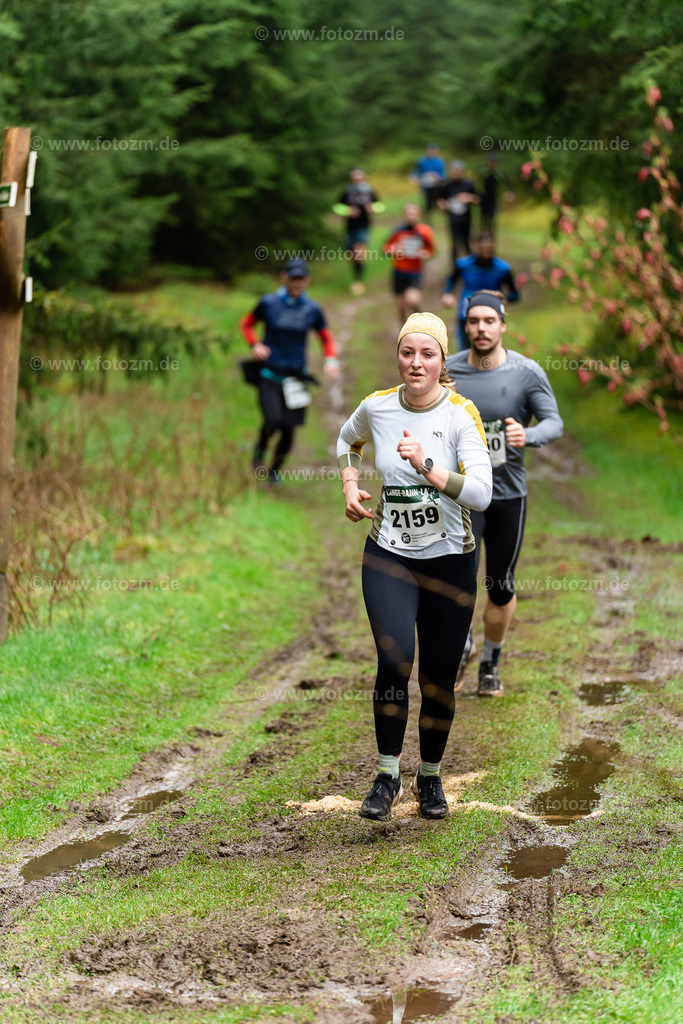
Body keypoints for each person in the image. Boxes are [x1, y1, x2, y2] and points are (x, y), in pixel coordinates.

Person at [337, 312, 492, 821]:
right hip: (389, 554)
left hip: (450, 561)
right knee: (395, 658)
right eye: (408, 352)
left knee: (438, 678)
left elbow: (482, 494)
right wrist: (349, 483)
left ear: (443, 360)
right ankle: (386, 775)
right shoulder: (377, 407)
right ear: (398, 356)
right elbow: (346, 441)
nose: (416, 362)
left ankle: (430, 777)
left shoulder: (460, 414)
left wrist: (428, 466)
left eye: (427, 354)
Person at [445, 291, 563, 696]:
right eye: (474, 321)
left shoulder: (526, 372)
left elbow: (554, 423)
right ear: (465, 324)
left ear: (502, 325)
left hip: (507, 494)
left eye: (489, 321)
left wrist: (526, 435)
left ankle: (490, 662)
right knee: (458, 580)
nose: (481, 328)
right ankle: (462, 646)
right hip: (460, 494)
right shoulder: (447, 370)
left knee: (499, 584)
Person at [240, 259, 340, 483]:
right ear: (284, 277)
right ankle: (260, 447)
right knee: (273, 420)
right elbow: (246, 324)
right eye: (293, 278)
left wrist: (330, 359)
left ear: (307, 280)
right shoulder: (269, 303)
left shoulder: (312, 309)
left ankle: (274, 470)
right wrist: (255, 344)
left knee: (289, 428)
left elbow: (325, 336)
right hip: (270, 374)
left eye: (301, 278)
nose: (297, 283)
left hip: (296, 378)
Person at [441, 231, 520, 350]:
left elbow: (515, 295)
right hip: (466, 315)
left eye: (489, 248)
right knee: (466, 353)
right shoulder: (464, 265)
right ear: (477, 246)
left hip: (491, 317)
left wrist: (506, 299)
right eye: (483, 248)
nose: (486, 251)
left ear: (494, 246)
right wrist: (448, 294)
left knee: (488, 352)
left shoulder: (503, 268)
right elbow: (451, 279)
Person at [383, 204, 436, 324]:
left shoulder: (424, 231)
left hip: (415, 272)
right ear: (404, 215)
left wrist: (425, 254)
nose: (411, 217)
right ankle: (403, 331)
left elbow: (432, 251)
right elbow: (385, 249)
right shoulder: (397, 231)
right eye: (408, 214)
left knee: (412, 300)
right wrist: (393, 249)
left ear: (418, 215)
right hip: (399, 271)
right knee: (401, 305)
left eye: (413, 214)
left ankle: (421, 320)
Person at [334, 168, 383, 296]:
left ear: (364, 178)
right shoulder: (347, 192)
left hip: (364, 226)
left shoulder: (370, 192)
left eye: (359, 178)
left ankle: (358, 281)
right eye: (355, 179)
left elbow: (380, 205)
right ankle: (356, 275)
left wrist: (372, 208)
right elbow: (337, 207)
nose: (357, 181)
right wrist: (347, 211)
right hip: (350, 227)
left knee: (358, 251)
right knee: (352, 255)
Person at [437, 161, 479, 263]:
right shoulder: (447, 185)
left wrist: (469, 198)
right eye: (454, 170)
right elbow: (440, 200)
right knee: (454, 243)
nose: (456, 172)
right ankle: (454, 265)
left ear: (462, 171)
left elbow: (478, 199)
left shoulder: (469, 184)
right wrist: (443, 205)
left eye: (458, 170)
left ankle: (470, 263)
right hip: (452, 217)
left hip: (466, 217)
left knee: (466, 241)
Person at [477, 155, 516, 234]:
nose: (492, 164)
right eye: (490, 161)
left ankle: (491, 238)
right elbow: (476, 184)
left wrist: (508, 193)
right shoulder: (482, 172)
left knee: (492, 219)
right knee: (482, 219)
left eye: (493, 162)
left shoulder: (500, 174)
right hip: (482, 200)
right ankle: (482, 238)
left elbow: (509, 185)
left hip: (494, 200)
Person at [409, 143, 447, 221]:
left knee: (437, 201)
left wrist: (438, 178)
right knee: (427, 201)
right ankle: (427, 217)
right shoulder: (422, 160)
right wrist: (415, 178)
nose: (432, 152)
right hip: (425, 184)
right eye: (430, 150)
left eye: (434, 150)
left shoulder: (440, 161)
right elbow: (415, 171)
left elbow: (445, 175)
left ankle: (438, 216)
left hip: (437, 186)